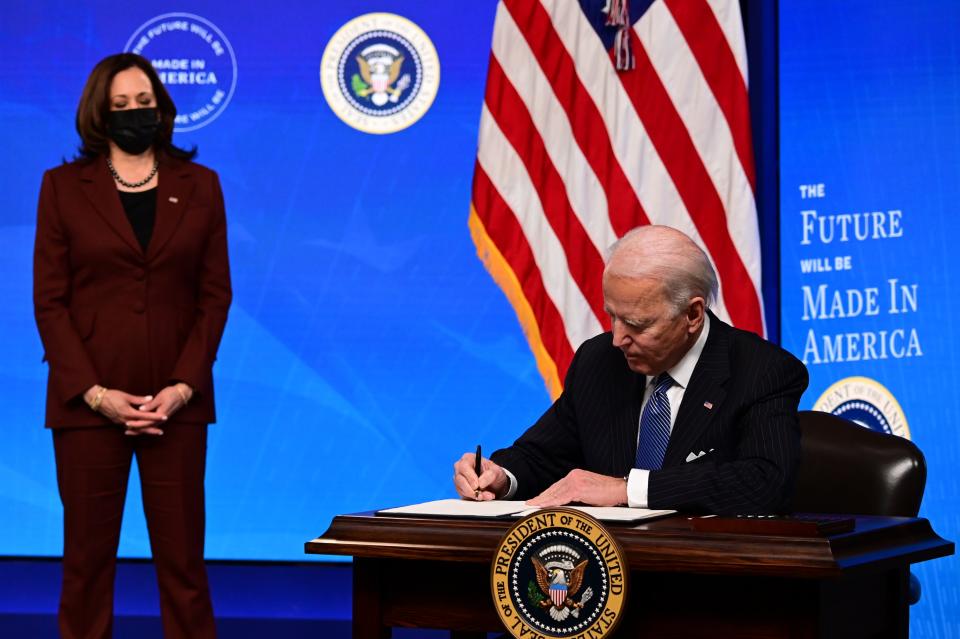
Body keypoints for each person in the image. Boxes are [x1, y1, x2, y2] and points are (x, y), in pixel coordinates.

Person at [33, 53, 230, 639]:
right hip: (87, 409)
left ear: (162, 108)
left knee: (185, 570)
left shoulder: (202, 186)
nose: (135, 114)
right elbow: (50, 302)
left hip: (178, 407)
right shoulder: (62, 188)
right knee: (86, 569)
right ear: (100, 113)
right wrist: (95, 395)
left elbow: (214, 296)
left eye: (144, 103)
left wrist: (181, 387)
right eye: (121, 106)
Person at [453, 225, 807, 514]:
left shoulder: (762, 371)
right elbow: (542, 455)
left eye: (637, 324)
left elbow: (765, 481)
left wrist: (624, 489)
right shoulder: (599, 362)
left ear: (693, 315)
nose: (618, 339)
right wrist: (501, 476)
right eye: (613, 317)